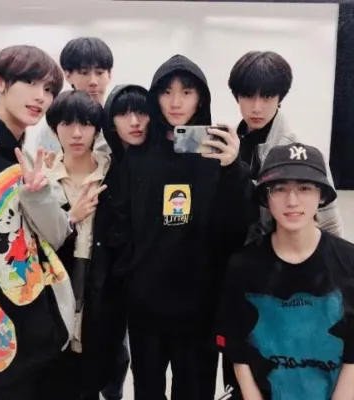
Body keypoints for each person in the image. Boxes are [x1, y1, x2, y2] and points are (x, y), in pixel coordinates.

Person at [113, 54, 258, 400]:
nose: (176, 102)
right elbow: (121, 224)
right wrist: (132, 276)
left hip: (200, 307)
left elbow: (238, 226)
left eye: (187, 92)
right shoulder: (138, 156)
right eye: (166, 92)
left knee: (194, 391)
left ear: (201, 98)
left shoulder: (218, 154)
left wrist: (232, 168)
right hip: (146, 307)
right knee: (148, 391)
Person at [0, 45, 75, 400]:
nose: (41, 97)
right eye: (31, 83)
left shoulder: (18, 154)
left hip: (35, 331)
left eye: (49, 89)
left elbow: (51, 238)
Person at [217, 142, 354, 400]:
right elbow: (237, 351)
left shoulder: (348, 261)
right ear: (266, 198)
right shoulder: (243, 266)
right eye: (279, 189)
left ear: (322, 195)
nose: (292, 201)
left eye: (304, 188)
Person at [21, 89, 127, 400]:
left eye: (86, 124)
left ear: (98, 128)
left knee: (95, 372)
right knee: (57, 375)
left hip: (102, 287)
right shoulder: (43, 177)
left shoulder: (114, 172)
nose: (77, 133)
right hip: (54, 285)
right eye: (67, 124)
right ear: (54, 128)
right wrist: (69, 214)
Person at [228, 50, 343, 239]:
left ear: (279, 98)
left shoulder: (301, 150)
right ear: (237, 97)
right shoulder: (229, 144)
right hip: (231, 251)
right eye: (248, 96)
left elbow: (329, 222)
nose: (257, 108)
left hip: (278, 252)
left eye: (267, 97)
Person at [101, 84, 151, 400]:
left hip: (149, 282)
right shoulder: (101, 165)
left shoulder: (161, 161)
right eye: (123, 114)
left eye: (142, 112)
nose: (134, 122)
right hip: (108, 281)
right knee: (112, 355)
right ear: (110, 120)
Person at [36, 36, 114, 162]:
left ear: (109, 74)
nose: (93, 82)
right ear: (67, 75)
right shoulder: (55, 123)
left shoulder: (118, 120)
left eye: (99, 73)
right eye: (84, 73)